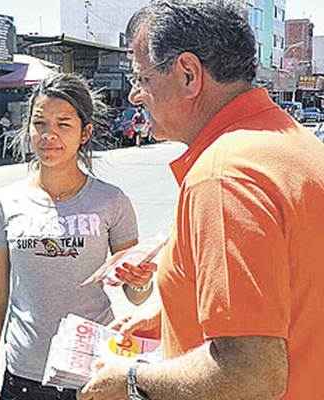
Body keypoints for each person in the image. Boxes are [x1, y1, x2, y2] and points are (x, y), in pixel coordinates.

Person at [79, 1, 324, 399]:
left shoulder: (222, 176)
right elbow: (295, 292)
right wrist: (174, 313)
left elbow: (250, 374)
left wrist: (131, 380)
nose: (136, 96)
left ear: (189, 75)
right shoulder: (295, 144)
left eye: (141, 79)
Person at [0, 73, 155, 400]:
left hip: (93, 371)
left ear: (84, 133)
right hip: (23, 374)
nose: (49, 135)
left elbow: (136, 293)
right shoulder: (4, 203)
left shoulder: (112, 201)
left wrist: (141, 279)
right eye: (40, 123)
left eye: (63, 124)